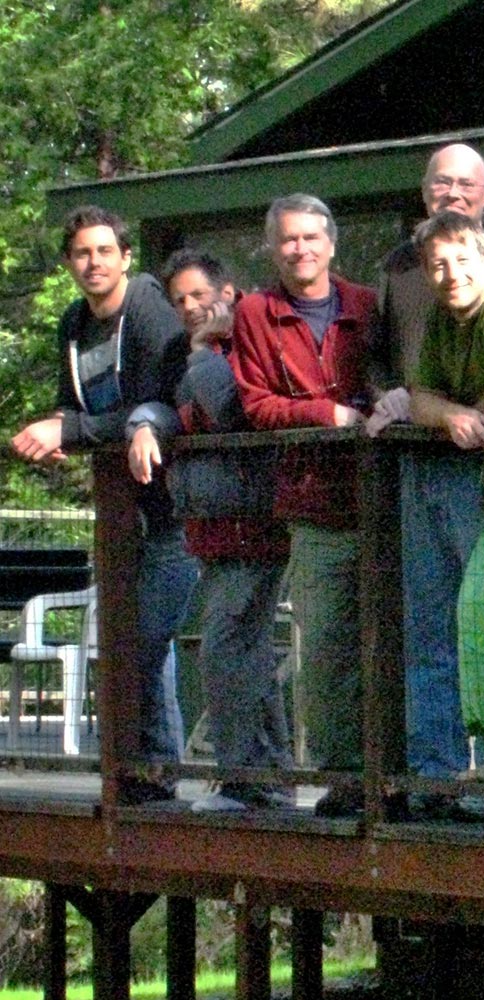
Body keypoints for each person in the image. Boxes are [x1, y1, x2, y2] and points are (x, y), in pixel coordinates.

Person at [11, 205, 196, 805]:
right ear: (69, 263)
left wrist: (74, 432)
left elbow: (157, 402)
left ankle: (156, 773)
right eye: (82, 254)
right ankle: (140, 770)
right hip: (122, 515)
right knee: (127, 640)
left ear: (124, 257)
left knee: (145, 638)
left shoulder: (147, 311)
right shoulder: (74, 323)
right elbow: (76, 407)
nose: (93, 263)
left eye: (103, 251)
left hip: (177, 511)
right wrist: (54, 429)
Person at [126, 249, 294, 811]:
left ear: (227, 291)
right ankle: (267, 776)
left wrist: (201, 354)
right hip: (217, 526)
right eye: (179, 301)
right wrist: (147, 423)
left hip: (256, 519)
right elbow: (180, 409)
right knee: (242, 648)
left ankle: (244, 777)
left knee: (224, 647)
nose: (190, 308)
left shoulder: (248, 337)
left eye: (199, 295)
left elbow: (229, 409)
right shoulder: (196, 352)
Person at [231, 193, 376, 817]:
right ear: (274, 247)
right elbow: (257, 405)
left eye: (312, 237)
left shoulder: (368, 305)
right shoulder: (257, 314)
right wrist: (329, 414)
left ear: (332, 243)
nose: (301, 249)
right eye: (289, 239)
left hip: (384, 496)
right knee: (325, 648)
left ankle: (407, 776)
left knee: (397, 639)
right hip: (314, 503)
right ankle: (343, 775)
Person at [400, 209, 484, 817]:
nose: (450, 274)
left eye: (461, 260)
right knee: (431, 625)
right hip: (440, 474)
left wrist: (452, 414)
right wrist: (450, 416)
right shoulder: (441, 313)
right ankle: (437, 773)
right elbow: (420, 397)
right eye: (437, 265)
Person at [367, 143, 484, 434]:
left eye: (466, 184)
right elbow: (375, 354)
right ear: (424, 192)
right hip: (413, 431)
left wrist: (446, 415)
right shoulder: (396, 267)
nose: (453, 193)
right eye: (443, 182)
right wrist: (387, 397)